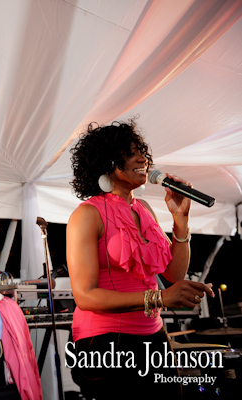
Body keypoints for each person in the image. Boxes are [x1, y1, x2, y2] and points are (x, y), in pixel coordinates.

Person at [66, 119, 214, 399]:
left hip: (153, 334)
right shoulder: (86, 215)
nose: (142, 158)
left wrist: (180, 221)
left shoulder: (144, 209)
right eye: (130, 152)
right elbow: (84, 296)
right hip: (105, 342)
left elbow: (174, 275)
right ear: (107, 161)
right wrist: (158, 299)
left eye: (142, 151)